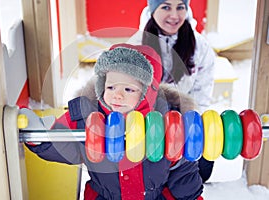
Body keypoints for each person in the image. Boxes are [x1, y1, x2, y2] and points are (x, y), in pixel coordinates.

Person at [26, 43, 204, 199]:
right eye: (111, 87)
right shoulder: (86, 116)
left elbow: (182, 172)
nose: (117, 95)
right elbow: (64, 146)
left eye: (128, 89)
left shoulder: (169, 122)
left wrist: (191, 197)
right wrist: (41, 138)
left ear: (148, 93)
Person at [128, 0, 216, 183]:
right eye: (166, 7)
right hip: (148, 121)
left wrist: (192, 124)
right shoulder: (135, 45)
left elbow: (202, 91)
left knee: (201, 168)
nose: (174, 15)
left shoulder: (199, 46)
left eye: (180, 7)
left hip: (183, 117)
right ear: (153, 10)